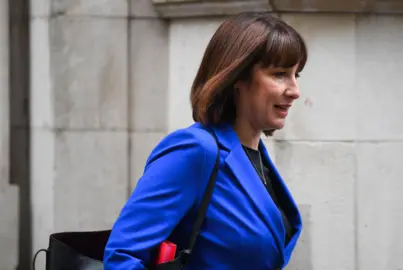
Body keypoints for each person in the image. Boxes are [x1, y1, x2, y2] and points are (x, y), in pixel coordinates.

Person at [103, 12, 308, 270]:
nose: (295, 91)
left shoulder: (258, 160)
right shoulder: (195, 151)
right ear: (237, 78)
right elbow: (122, 257)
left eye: (296, 75)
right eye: (279, 74)